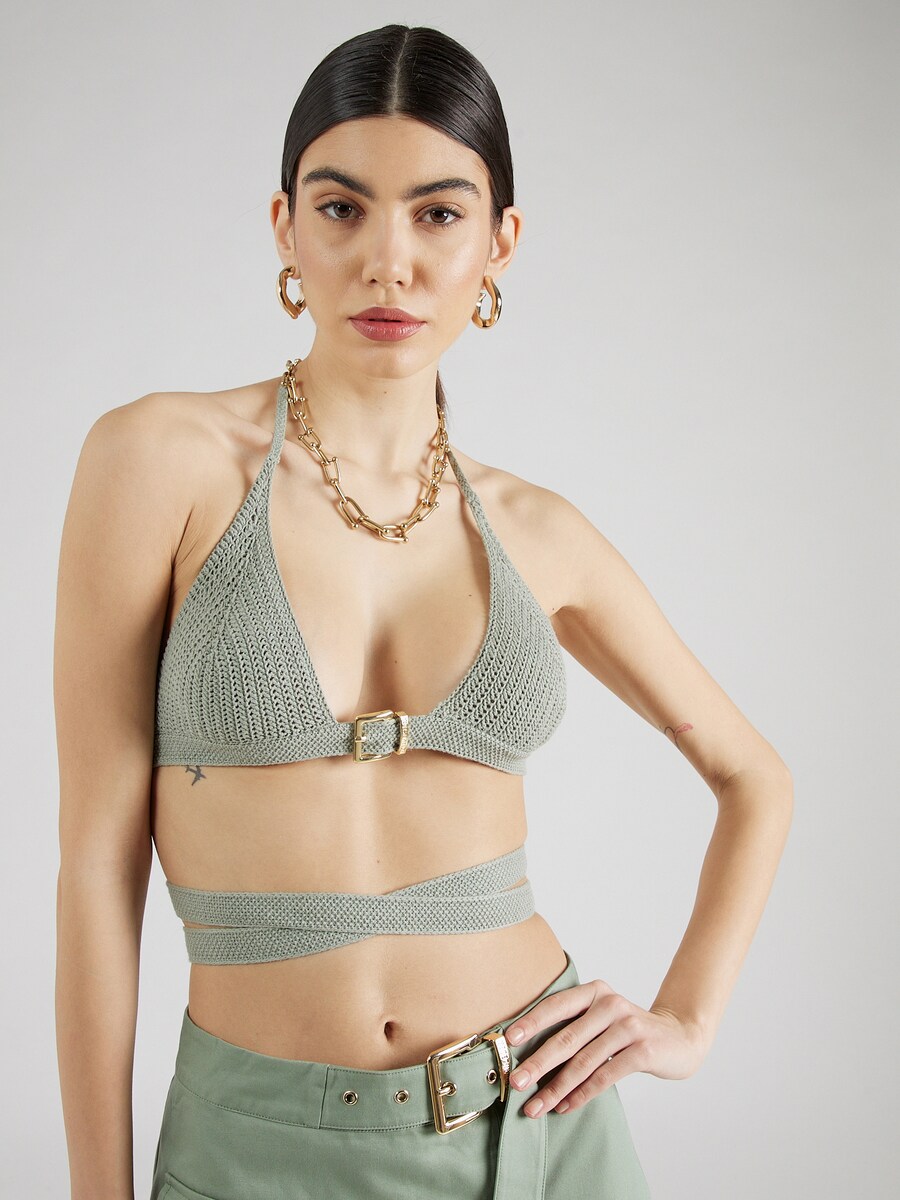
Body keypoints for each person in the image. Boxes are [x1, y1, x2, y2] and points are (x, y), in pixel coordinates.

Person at [53, 23, 793, 1200]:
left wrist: (688, 1019)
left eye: (438, 214)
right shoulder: (160, 461)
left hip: (540, 1137)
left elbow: (754, 776)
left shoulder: (540, 532)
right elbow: (98, 863)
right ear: (286, 226)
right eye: (342, 209)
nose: (387, 262)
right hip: (258, 1146)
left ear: (500, 244)